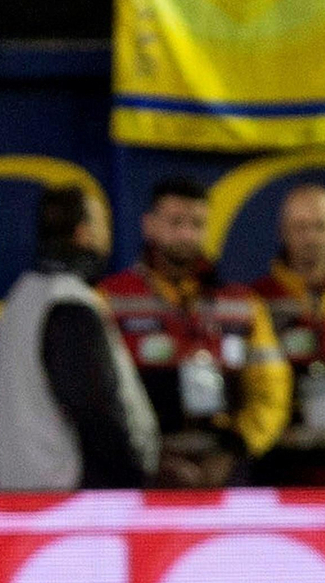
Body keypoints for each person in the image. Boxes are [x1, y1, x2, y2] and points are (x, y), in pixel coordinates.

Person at [99, 177, 291, 488]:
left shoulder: (243, 303)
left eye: (197, 224)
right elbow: (101, 398)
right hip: (146, 472)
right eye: (176, 222)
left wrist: (237, 450)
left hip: (226, 468)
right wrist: (149, 459)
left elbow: (271, 388)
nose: (187, 234)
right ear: (149, 225)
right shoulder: (110, 299)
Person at [0, 185, 159, 491]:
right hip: (74, 499)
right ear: (83, 234)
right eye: (104, 223)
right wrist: (135, 475)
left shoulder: (20, 300)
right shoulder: (68, 302)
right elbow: (95, 410)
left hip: (26, 493)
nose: (109, 235)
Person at [251, 183, 325, 485]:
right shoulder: (255, 299)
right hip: (279, 460)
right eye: (299, 227)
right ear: (282, 233)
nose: (310, 238)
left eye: (320, 226)